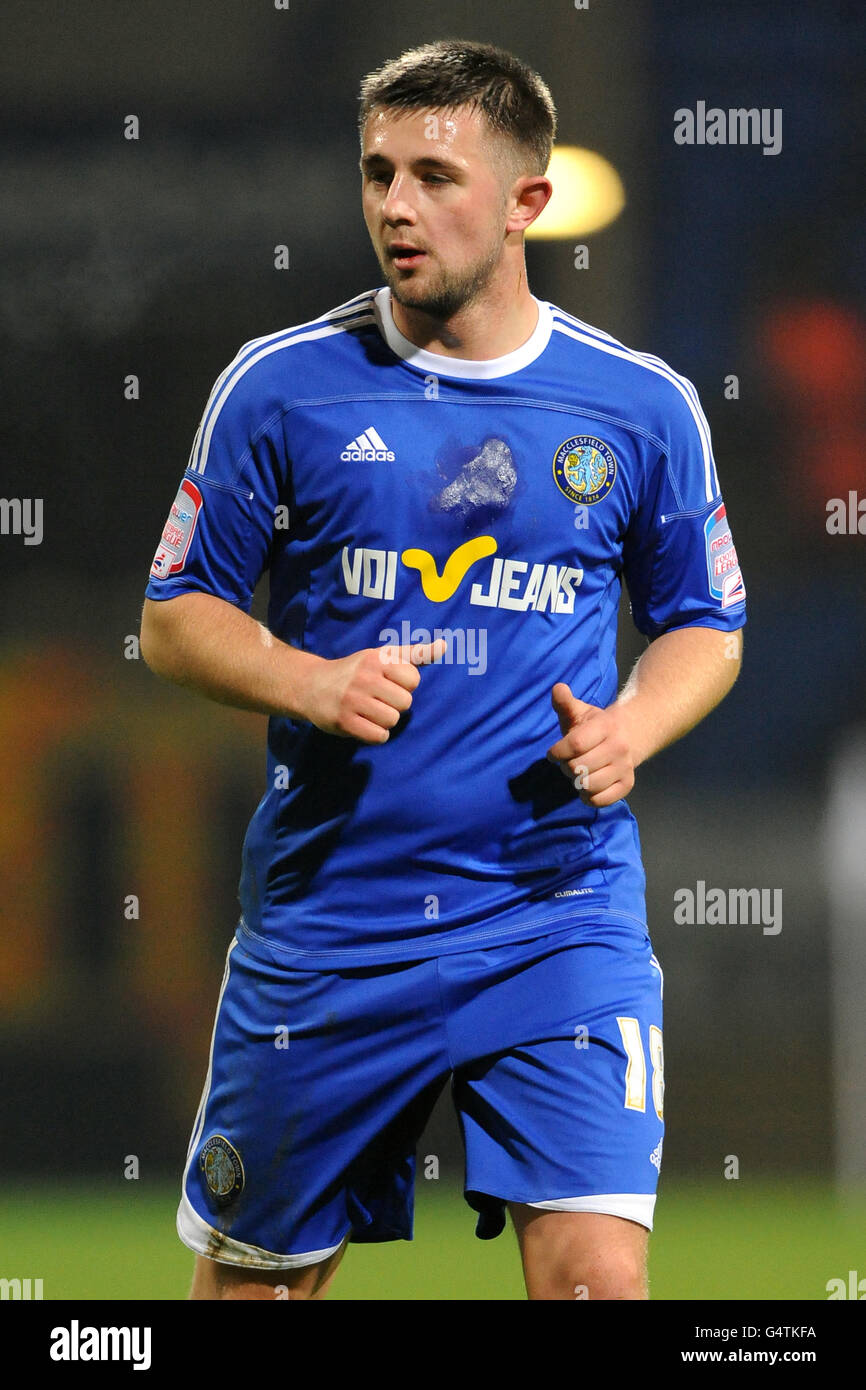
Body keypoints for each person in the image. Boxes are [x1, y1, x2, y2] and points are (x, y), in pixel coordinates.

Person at [140, 38, 746, 1301]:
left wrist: (632, 725)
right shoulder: (279, 388)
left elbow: (705, 625)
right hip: (330, 925)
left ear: (527, 201)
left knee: (593, 1283)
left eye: (431, 174)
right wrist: (311, 682)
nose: (394, 207)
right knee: (254, 1293)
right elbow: (176, 615)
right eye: (376, 173)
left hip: (553, 912)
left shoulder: (639, 409)